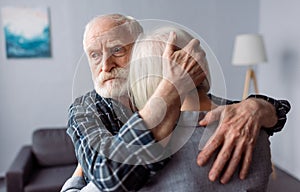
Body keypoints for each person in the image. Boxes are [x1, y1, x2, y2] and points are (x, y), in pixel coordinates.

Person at [61, 14, 290, 192]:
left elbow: (229, 111)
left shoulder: (198, 121)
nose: (105, 65)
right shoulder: (86, 109)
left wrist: (258, 107)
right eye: (94, 55)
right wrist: (172, 87)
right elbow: (110, 178)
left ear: (141, 51)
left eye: (117, 50)